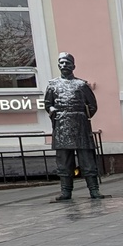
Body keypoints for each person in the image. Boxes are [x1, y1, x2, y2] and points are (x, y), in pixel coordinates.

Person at [45, 52, 102, 201]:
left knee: (87, 161)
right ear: (58, 65)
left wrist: (82, 117)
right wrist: (52, 111)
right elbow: (47, 104)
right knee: (64, 162)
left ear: (73, 66)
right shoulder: (52, 84)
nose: (64, 66)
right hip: (61, 127)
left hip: (80, 127)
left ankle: (94, 190)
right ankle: (66, 192)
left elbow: (92, 105)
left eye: (67, 63)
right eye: (62, 63)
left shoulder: (81, 85)